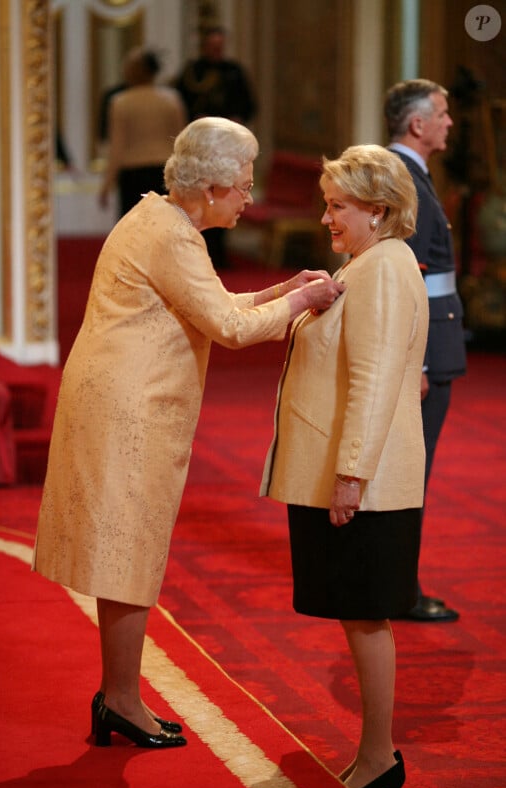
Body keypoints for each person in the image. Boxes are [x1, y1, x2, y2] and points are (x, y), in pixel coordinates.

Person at [33, 117, 344, 751]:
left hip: (125, 401)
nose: (250, 199)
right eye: (244, 187)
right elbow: (229, 328)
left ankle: (118, 696)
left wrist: (284, 289)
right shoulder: (170, 236)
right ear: (210, 187)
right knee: (126, 555)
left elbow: (214, 304)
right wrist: (303, 304)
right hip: (127, 410)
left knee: (127, 553)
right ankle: (119, 699)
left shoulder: (164, 222)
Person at [260, 144, 429, 788]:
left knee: (365, 615)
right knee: (358, 615)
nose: (326, 217)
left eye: (338, 206)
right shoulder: (366, 263)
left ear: (379, 211)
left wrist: (352, 475)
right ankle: (374, 753)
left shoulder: (382, 270)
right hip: (353, 471)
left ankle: (379, 755)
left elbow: (374, 377)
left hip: (368, 480)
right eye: (327, 204)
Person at [385, 79, 467, 622]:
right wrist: (414, 361)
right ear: (418, 124)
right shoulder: (406, 178)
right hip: (427, 353)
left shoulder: (406, 174)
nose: (449, 122)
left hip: (435, 344)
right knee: (410, 474)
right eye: (442, 113)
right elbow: (407, 276)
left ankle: (397, 584)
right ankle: (400, 590)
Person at [173, 27, 257, 267]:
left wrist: (236, 119)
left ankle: (218, 255)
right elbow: (180, 103)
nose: (216, 50)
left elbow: (249, 105)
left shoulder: (234, 72)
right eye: (212, 46)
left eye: (220, 46)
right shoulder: (191, 72)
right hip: (200, 148)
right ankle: (195, 250)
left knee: (225, 197)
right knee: (200, 197)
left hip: (228, 148)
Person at [99, 48, 186, 218]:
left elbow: (117, 145)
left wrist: (107, 183)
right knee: (163, 224)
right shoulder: (172, 99)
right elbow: (181, 142)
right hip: (163, 171)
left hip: (133, 174)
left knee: (134, 227)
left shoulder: (120, 101)